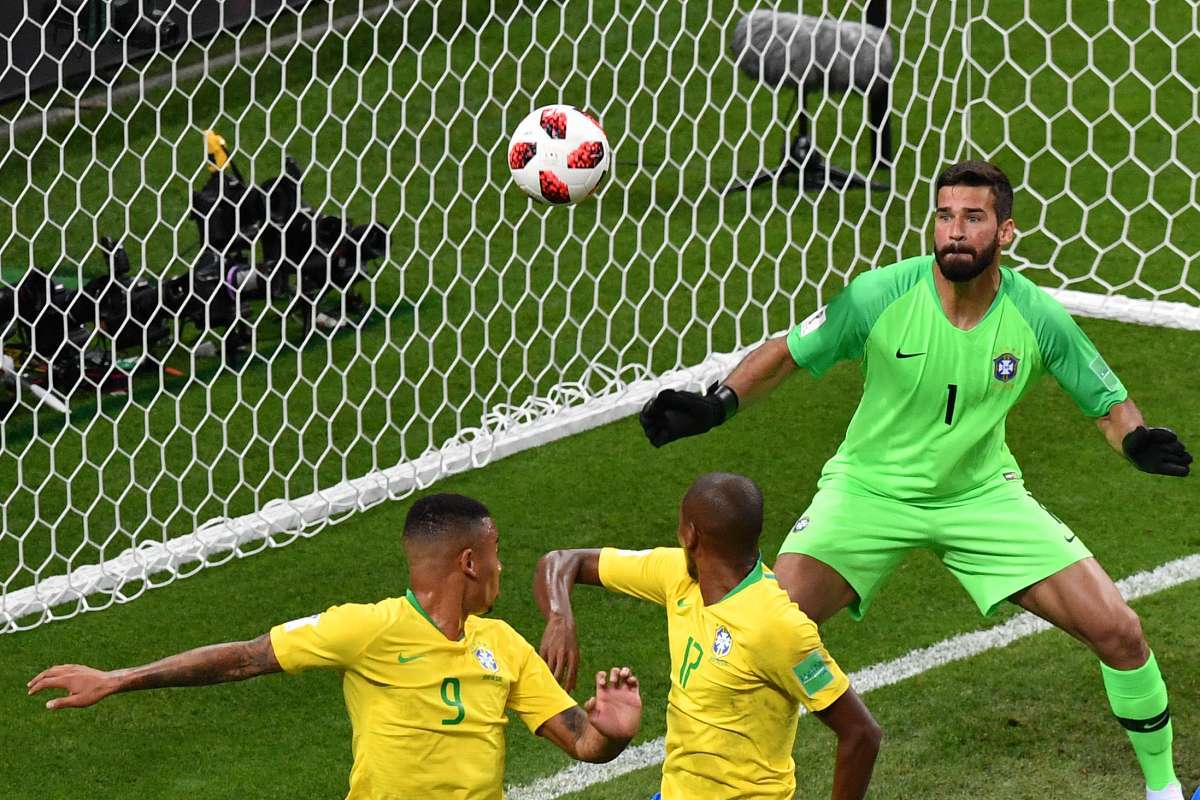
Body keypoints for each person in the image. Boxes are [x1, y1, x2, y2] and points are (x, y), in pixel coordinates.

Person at [638, 160, 1194, 800]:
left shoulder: (1036, 316)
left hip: (981, 497)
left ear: (1005, 232)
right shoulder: (881, 295)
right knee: (748, 637)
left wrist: (1135, 440)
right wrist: (719, 403)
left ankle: (1165, 791)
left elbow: (1106, 401)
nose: (955, 231)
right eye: (945, 215)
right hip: (868, 494)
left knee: (1121, 631)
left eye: (973, 217)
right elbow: (789, 350)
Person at [28, 493, 643, 800]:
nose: (502, 566)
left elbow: (584, 744)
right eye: (495, 552)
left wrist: (612, 731)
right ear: (468, 563)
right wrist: (120, 677)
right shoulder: (367, 628)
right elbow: (245, 656)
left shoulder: (503, 644)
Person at [535, 471, 880, 800]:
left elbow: (861, 733)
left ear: (691, 534)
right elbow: (563, 561)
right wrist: (559, 616)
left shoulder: (777, 626)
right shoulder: (676, 575)